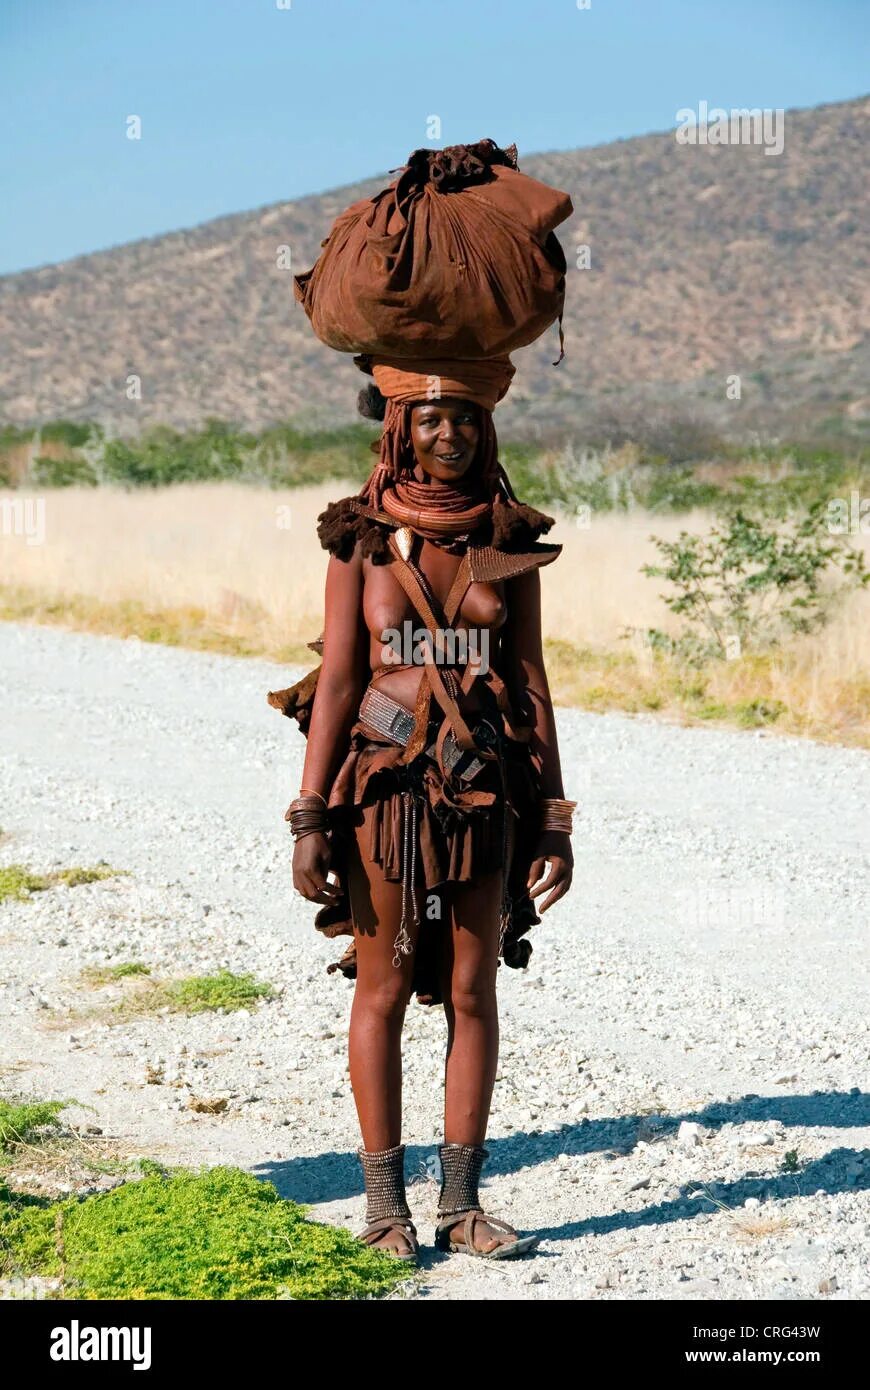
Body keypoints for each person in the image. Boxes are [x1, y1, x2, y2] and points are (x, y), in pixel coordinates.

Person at [272, 353, 576, 1262]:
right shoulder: (355, 538)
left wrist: (554, 817)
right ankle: (382, 1210)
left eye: (468, 420)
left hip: (485, 792)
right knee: (388, 984)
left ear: (488, 430)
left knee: (474, 991)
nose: (452, 435)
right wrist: (310, 814)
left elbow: (531, 684)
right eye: (434, 420)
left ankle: (461, 1204)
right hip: (386, 794)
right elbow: (336, 684)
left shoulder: (506, 539)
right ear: (399, 428)